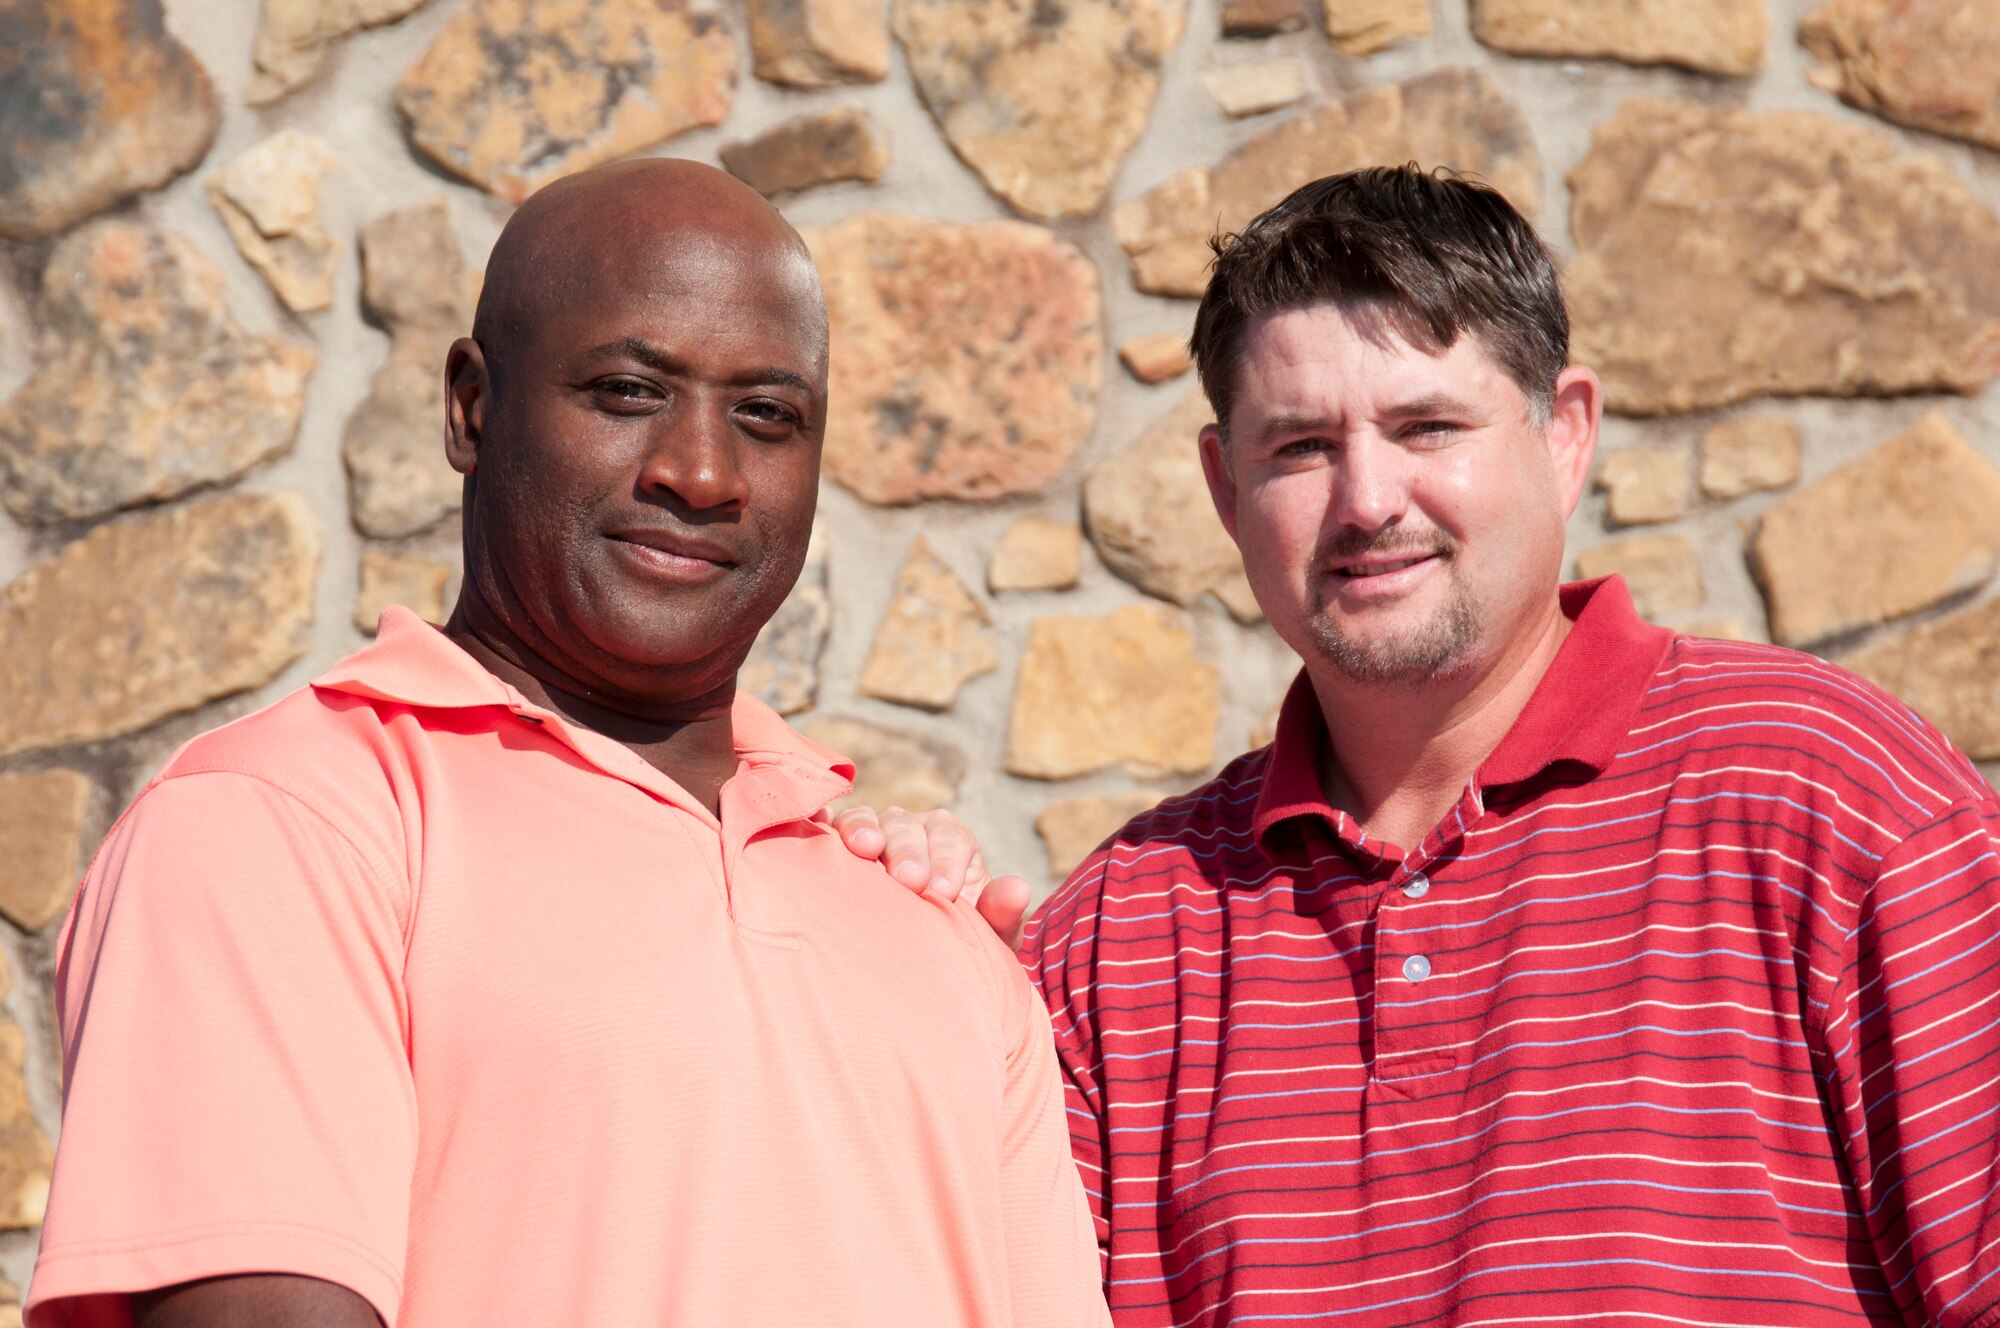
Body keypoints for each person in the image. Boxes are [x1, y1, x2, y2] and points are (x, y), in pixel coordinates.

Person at [860, 166, 2000, 1326]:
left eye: (1426, 427)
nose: (1366, 499)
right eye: (1300, 446)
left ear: (1564, 435)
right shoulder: (1120, 940)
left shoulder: (1831, 794)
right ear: (1223, 487)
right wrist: (886, 963)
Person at [26, 159, 1107, 1328]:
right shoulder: (285, 823)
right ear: (471, 408)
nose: (698, 471)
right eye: (627, 391)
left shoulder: (932, 935)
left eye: (766, 415)